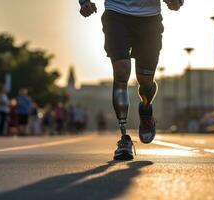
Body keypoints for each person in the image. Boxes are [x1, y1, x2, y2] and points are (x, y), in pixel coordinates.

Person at [79, 0, 184, 160]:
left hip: (149, 19)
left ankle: (146, 110)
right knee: (121, 71)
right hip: (116, 13)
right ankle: (124, 138)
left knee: (145, 80)